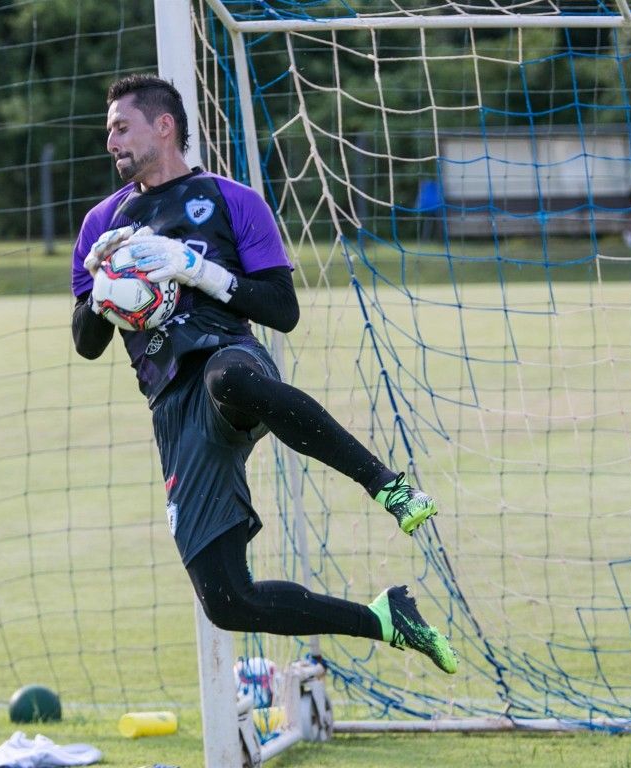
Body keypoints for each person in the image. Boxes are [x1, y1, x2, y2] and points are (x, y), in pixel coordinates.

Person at [70, 74, 457, 675]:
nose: (111, 140)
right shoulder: (100, 225)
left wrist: (196, 270)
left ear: (163, 126)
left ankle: (386, 484)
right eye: (109, 130)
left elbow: (283, 310)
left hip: (232, 362)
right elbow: (86, 346)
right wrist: (100, 295)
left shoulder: (231, 199)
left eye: (122, 126)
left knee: (229, 378)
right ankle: (385, 619)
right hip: (172, 407)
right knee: (228, 600)